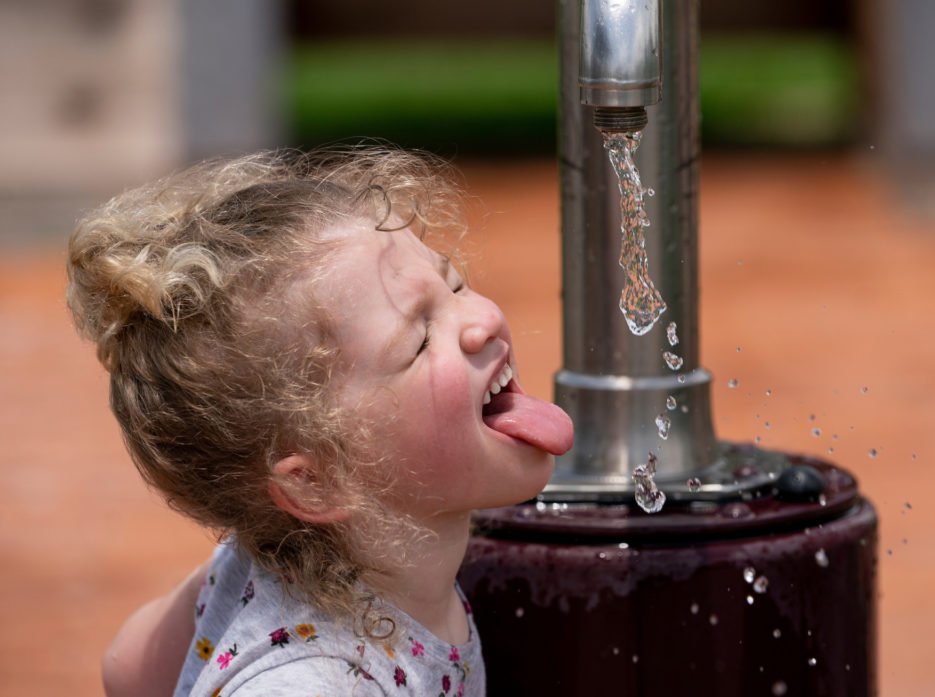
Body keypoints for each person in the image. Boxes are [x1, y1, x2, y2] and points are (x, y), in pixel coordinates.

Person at [67, 147, 574, 696]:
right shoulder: (315, 681)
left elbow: (128, 664)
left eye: (452, 285)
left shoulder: (255, 564)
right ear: (317, 480)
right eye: (421, 339)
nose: (482, 319)